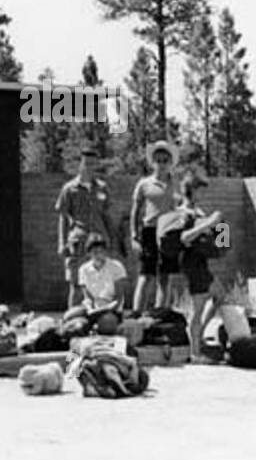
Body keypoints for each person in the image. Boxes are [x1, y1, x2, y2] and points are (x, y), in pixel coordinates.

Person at [161, 174, 223, 358]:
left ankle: (199, 336)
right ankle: (195, 352)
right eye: (200, 190)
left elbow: (214, 238)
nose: (203, 194)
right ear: (192, 190)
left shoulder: (198, 211)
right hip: (192, 264)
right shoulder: (183, 212)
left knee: (219, 296)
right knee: (198, 308)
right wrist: (210, 223)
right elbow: (185, 238)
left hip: (201, 262)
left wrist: (220, 235)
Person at [54, 147, 114, 308]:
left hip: (98, 242)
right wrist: (62, 243)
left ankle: (96, 321)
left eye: (93, 164)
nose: (90, 167)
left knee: (98, 284)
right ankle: (71, 322)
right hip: (78, 240)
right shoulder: (69, 188)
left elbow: (107, 215)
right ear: (80, 164)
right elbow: (63, 217)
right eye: (87, 163)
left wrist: (111, 239)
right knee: (76, 284)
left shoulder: (102, 188)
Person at [128, 140, 178, 311]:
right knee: (146, 276)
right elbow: (135, 211)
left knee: (165, 277)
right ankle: (136, 315)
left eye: (165, 160)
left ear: (170, 162)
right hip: (149, 232)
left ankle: (159, 316)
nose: (162, 164)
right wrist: (134, 236)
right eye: (158, 160)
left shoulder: (176, 184)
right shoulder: (144, 184)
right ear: (152, 162)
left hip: (170, 233)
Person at [75, 233, 129, 333]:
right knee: (71, 319)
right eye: (95, 252)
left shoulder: (116, 267)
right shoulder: (83, 269)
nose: (99, 255)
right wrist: (90, 309)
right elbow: (87, 297)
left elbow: (118, 298)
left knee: (106, 324)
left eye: (101, 251)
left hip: (111, 309)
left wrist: (105, 309)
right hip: (92, 310)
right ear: (89, 253)